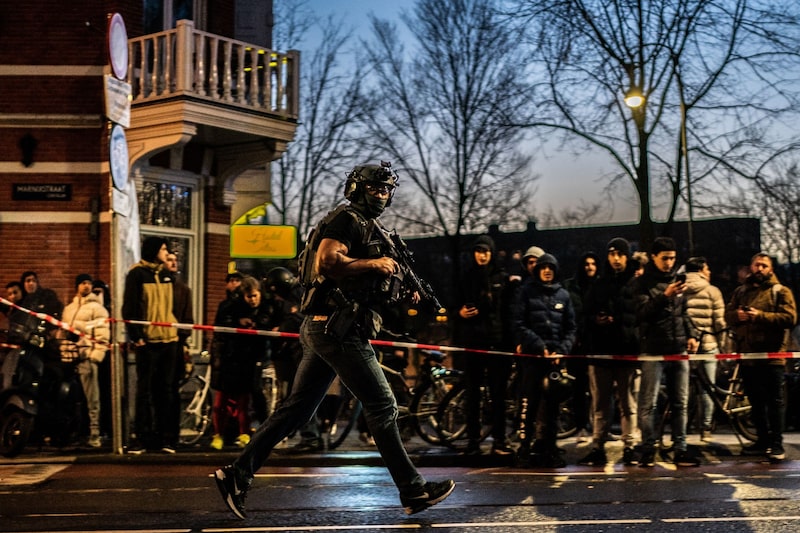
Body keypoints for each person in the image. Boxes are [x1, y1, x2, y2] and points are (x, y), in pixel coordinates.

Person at [214, 162, 454, 519]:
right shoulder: (347, 219)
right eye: (375, 189)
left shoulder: (367, 226)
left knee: (295, 411)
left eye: (386, 190)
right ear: (356, 188)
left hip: (330, 327)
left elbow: (365, 277)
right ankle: (413, 489)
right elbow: (328, 262)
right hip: (338, 329)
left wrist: (400, 283)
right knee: (383, 406)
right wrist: (377, 265)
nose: (381, 195)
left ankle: (236, 474)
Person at [634, 236, 700, 467]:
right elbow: (642, 313)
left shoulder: (676, 280)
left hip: (678, 348)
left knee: (681, 401)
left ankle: (680, 447)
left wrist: (692, 334)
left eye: (672, 258)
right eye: (665, 258)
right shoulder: (643, 283)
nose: (669, 263)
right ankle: (648, 447)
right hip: (654, 349)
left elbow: (682, 313)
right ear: (654, 257)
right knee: (648, 403)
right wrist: (665, 296)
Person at [726, 252, 797, 461]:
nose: (760, 269)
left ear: (771, 269)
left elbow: (790, 317)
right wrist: (736, 316)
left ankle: (776, 444)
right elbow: (727, 315)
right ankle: (762, 441)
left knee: (774, 402)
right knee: (756, 402)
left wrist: (761, 316)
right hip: (748, 356)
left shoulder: (780, 291)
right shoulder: (741, 292)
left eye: (764, 265)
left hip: (773, 356)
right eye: (757, 265)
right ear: (751, 267)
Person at [578, 238, 640, 466]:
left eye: (620, 254)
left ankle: (630, 446)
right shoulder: (599, 284)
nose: (616, 259)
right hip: (601, 352)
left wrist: (620, 323)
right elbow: (584, 315)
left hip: (625, 352)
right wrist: (597, 320)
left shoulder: (635, 284)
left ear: (626, 256)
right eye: (612, 254)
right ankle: (598, 445)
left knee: (627, 403)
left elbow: (639, 317)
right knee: (600, 403)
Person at [451, 234, 515, 456]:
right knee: (473, 395)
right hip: (473, 342)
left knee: (498, 395)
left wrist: (510, 342)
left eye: (485, 251)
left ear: (492, 252)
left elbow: (508, 312)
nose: (482, 255)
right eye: (478, 251)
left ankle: (499, 439)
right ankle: (473, 441)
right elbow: (453, 305)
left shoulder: (502, 278)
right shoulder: (466, 277)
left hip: (497, 343)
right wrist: (460, 313)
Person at [511, 252, 576, 468]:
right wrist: (539, 346)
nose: (547, 270)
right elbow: (519, 324)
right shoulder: (526, 293)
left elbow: (571, 328)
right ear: (538, 270)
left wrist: (561, 351)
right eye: (543, 267)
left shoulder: (563, 296)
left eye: (551, 267)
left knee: (553, 410)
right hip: (533, 360)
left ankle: (550, 450)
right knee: (528, 406)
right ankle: (524, 449)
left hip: (555, 362)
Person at [122, 236, 180, 454]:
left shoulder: (167, 275)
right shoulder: (137, 274)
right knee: (144, 391)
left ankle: (166, 438)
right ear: (153, 250)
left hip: (169, 341)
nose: (166, 253)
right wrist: (137, 337)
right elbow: (129, 308)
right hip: (147, 341)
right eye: (163, 249)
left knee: (165, 391)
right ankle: (142, 438)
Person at [210, 275, 273, 450]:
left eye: (255, 296)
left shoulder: (265, 308)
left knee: (246, 401)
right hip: (230, 359)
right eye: (249, 297)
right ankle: (220, 435)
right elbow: (220, 328)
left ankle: (245, 433)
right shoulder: (232, 308)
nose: (252, 300)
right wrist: (238, 323)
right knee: (222, 401)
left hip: (251, 360)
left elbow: (269, 324)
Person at [60, 273, 110, 448]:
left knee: (92, 398)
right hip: (70, 358)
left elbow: (103, 335)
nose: (86, 286)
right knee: (71, 398)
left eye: (88, 283)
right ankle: (73, 432)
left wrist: (95, 356)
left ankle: (94, 433)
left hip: (87, 358)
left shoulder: (98, 309)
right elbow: (62, 332)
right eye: (82, 283)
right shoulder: (69, 309)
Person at [682, 256, 727, 441]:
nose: (709, 272)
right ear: (701, 270)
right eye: (707, 269)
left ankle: (683, 428)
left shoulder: (679, 289)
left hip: (686, 346)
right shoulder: (712, 291)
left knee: (683, 389)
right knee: (708, 388)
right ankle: (706, 428)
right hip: (708, 344)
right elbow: (719, 323)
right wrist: (723, 347)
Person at [563, 251, 600, 443]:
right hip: (577, 345)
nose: (590, 267)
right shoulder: (571, 287)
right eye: (586, 263)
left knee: (599, 390)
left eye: (593, 263)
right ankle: (581, 426)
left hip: (596, 344)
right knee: (579, 388)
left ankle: (599, 427)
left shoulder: (601, 285)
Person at [165, 251, 194, 451]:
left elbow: (188, 320)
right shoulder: (157, 286)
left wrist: (181, 339)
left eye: (176, 260)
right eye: (169, 259)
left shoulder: (183, 290)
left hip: (174, 345)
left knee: (172, 390)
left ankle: (172, 434)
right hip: (159, 343)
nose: (174, 263)